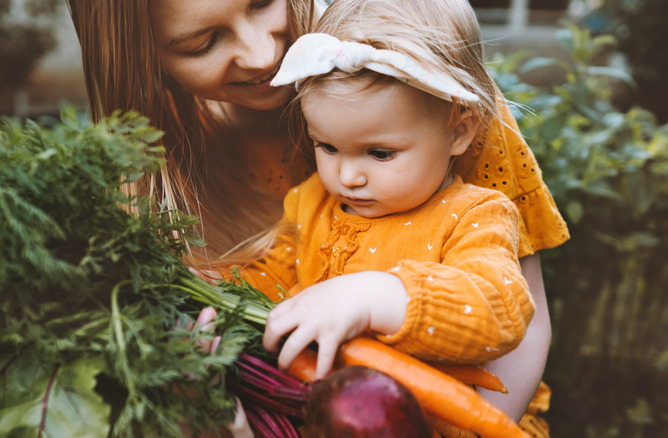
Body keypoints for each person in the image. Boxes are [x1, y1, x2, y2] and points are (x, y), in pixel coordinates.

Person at [66, 0, 568, 434]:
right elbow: (271, 297)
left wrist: (379, 297)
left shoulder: (427, 83)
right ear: (143, 56)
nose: (265, 54)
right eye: (202, 43)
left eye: (263, 1)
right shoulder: (301, 201)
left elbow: (515, 311)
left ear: (460, 129)